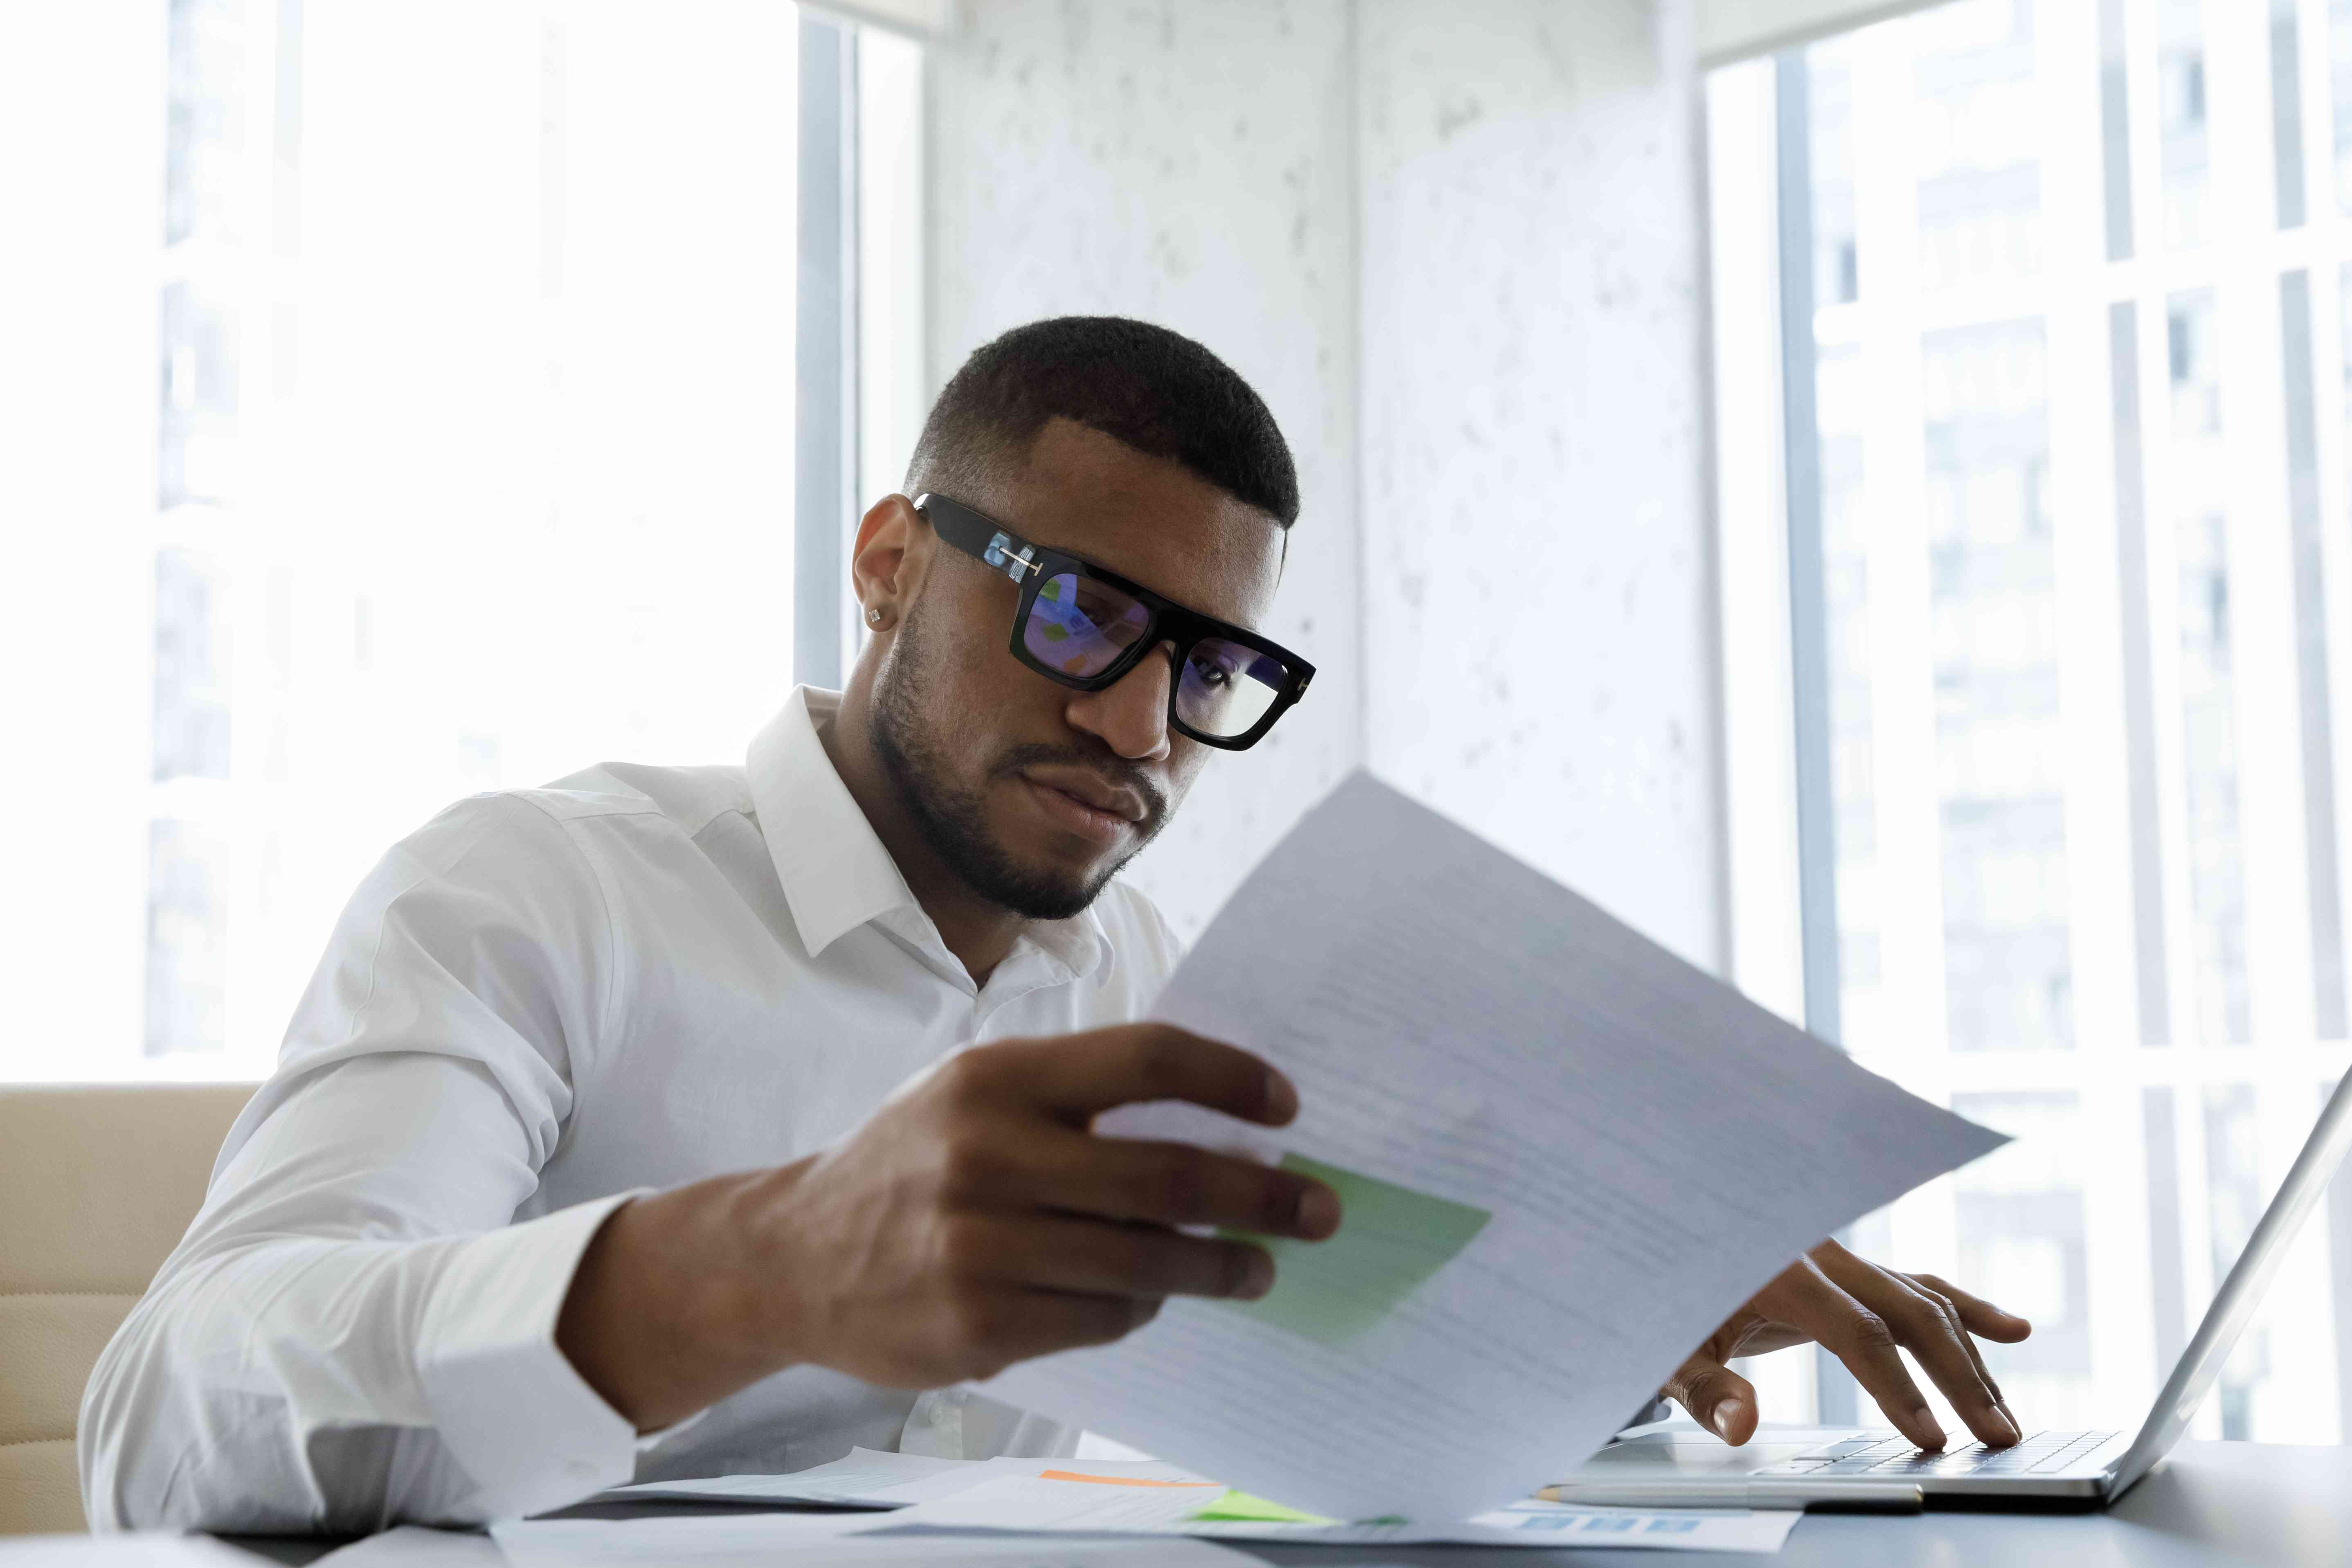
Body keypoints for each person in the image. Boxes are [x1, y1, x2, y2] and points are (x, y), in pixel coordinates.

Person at [79, 317, 2030, 1534]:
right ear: (888, 564)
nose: (1137, 724)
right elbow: (165, 1421)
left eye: (1209, 667)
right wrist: (760, 1263)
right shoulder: (533, 893)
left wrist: (1608, 1310)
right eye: (1084, 613)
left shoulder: (1151, 980)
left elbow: (1308, 1357)